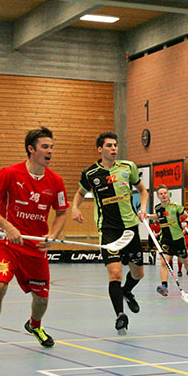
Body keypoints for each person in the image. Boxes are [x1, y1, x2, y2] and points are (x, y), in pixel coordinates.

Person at [0, 127, 69, 360]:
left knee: (41, 299)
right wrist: (8, 227)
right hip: (5, 244)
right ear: (31, 149)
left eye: (52, 147)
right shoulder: (9, 173)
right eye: (45, 147)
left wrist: (53, 235)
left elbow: (61, 213)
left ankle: (34, 325)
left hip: (35, 249)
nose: (50, 151)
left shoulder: (55, 181)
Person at [71, 131, 148, 335]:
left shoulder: (128, 167)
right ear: (100, 149)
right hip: (108, 230)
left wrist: (142, 208)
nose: (114, 148)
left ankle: (126, 291)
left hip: (130, 227)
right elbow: (80, 194)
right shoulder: (90, 174)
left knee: (138, 274)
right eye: (109, 145)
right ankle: (120, 316)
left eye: (115, 145)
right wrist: (75, 208)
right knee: (115, 273)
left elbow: (143, 190)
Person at [148, 184, 188, 297]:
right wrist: (147, 216)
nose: (163, 195)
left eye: (165, 193)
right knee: (164, 262)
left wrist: (186, 222)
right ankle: (164, 286)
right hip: (166, 240)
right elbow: (158, 216)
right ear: (158, 196)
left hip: (178, 239)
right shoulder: (158, 208)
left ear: (168, 194)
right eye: (161, 194)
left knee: (186, 261)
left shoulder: (176, 206)